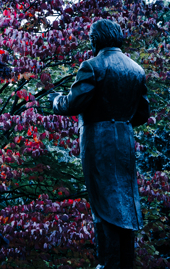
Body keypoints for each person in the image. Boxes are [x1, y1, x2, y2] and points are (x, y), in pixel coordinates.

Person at [51, 19, 149, 269]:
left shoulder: (92, 66)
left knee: (103, 200)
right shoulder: (136, 69)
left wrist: (56, 101)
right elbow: (142, 114)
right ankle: (124, 262)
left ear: (96, 40)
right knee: (125, 201)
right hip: (125, 140)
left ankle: (108, 263)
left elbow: (74, 103)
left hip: (98, 140)